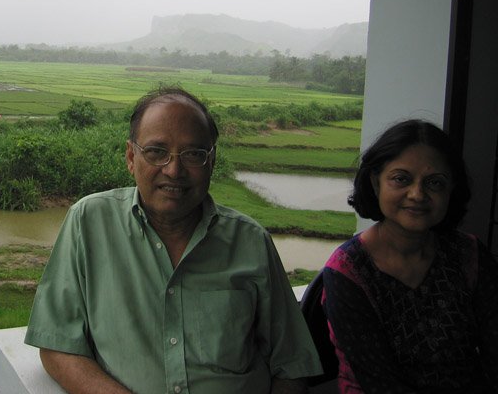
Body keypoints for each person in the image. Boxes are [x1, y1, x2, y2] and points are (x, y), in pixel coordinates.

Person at [24, 86, 322, 394]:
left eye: (193, 154)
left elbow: (292, 364)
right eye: (156, 152)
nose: (174, 169)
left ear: (212, 160)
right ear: (130, 157)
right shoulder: (89, 222)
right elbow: (56, 344)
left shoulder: (250, 242)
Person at [322, 119, 498, 393]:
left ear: (451, 189)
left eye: (434, 183)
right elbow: (379, 382)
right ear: (376, 182)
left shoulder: (469, 255)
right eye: (401, 179)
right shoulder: (348, 271)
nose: (417, 194)